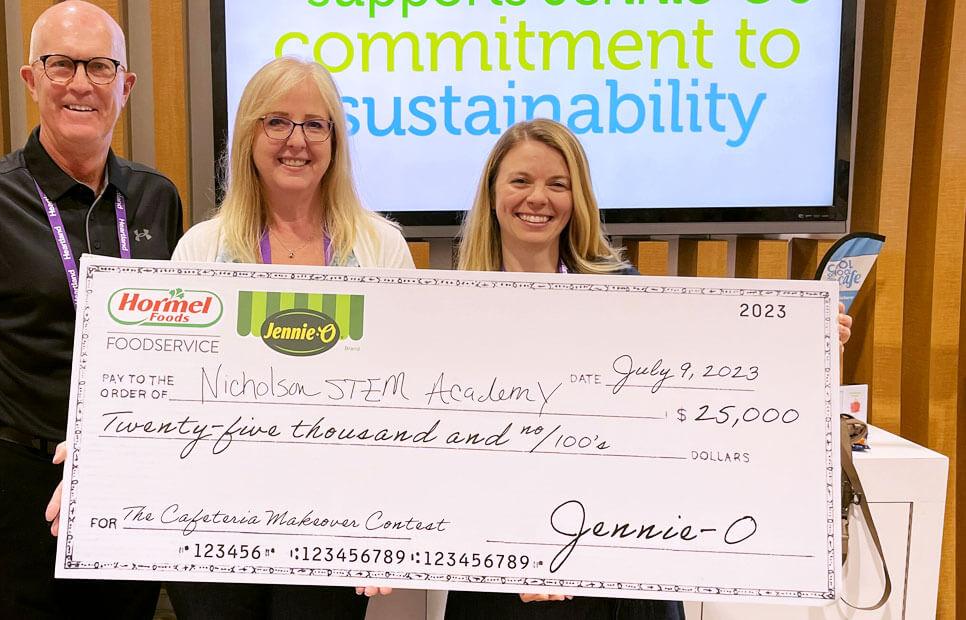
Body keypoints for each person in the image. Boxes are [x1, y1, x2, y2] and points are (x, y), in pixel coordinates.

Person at [46, 55, 414, 619]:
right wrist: (104, 447)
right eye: (276, 122)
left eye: (315, 124)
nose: (297, 140)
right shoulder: (202, 246)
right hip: (213, 520)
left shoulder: (380, 247)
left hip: (332, 524)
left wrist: (386, 512)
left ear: (335, 140)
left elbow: (406, 393)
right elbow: (165, 379)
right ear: (248, 134)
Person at [446, 119, 853, 619]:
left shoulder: (628, 291)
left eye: (558, 184)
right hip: (502, 572)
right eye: (520, 181)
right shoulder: (453, 306)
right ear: (491, 194)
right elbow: (454, 452)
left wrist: (800, 341)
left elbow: (698, 386)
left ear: (578, 199)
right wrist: (518, 549)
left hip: (621, 568)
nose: (538, 198)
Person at [0, 2, 183, 617]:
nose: (80, 83)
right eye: (60, 64)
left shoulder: (157, 198)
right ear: (31, 79)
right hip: (15, 481)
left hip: (129, 475)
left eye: (99, 67)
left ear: (124, 86)